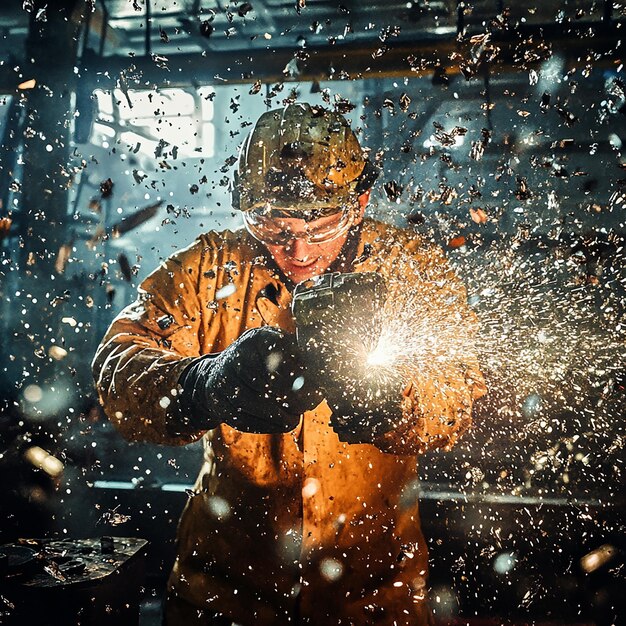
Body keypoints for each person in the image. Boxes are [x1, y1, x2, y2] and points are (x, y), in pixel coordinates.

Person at [92, 102, 486, 625]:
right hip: (228, 592)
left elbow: (460, 389)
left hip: (371, 594)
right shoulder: (212, 269)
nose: (297, 251)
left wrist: (397, 402)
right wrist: (201, 386)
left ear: (359, 203)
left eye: (321, 226)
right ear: (247, 210)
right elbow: (119, 360)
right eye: (272, 226)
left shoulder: (409, 270)